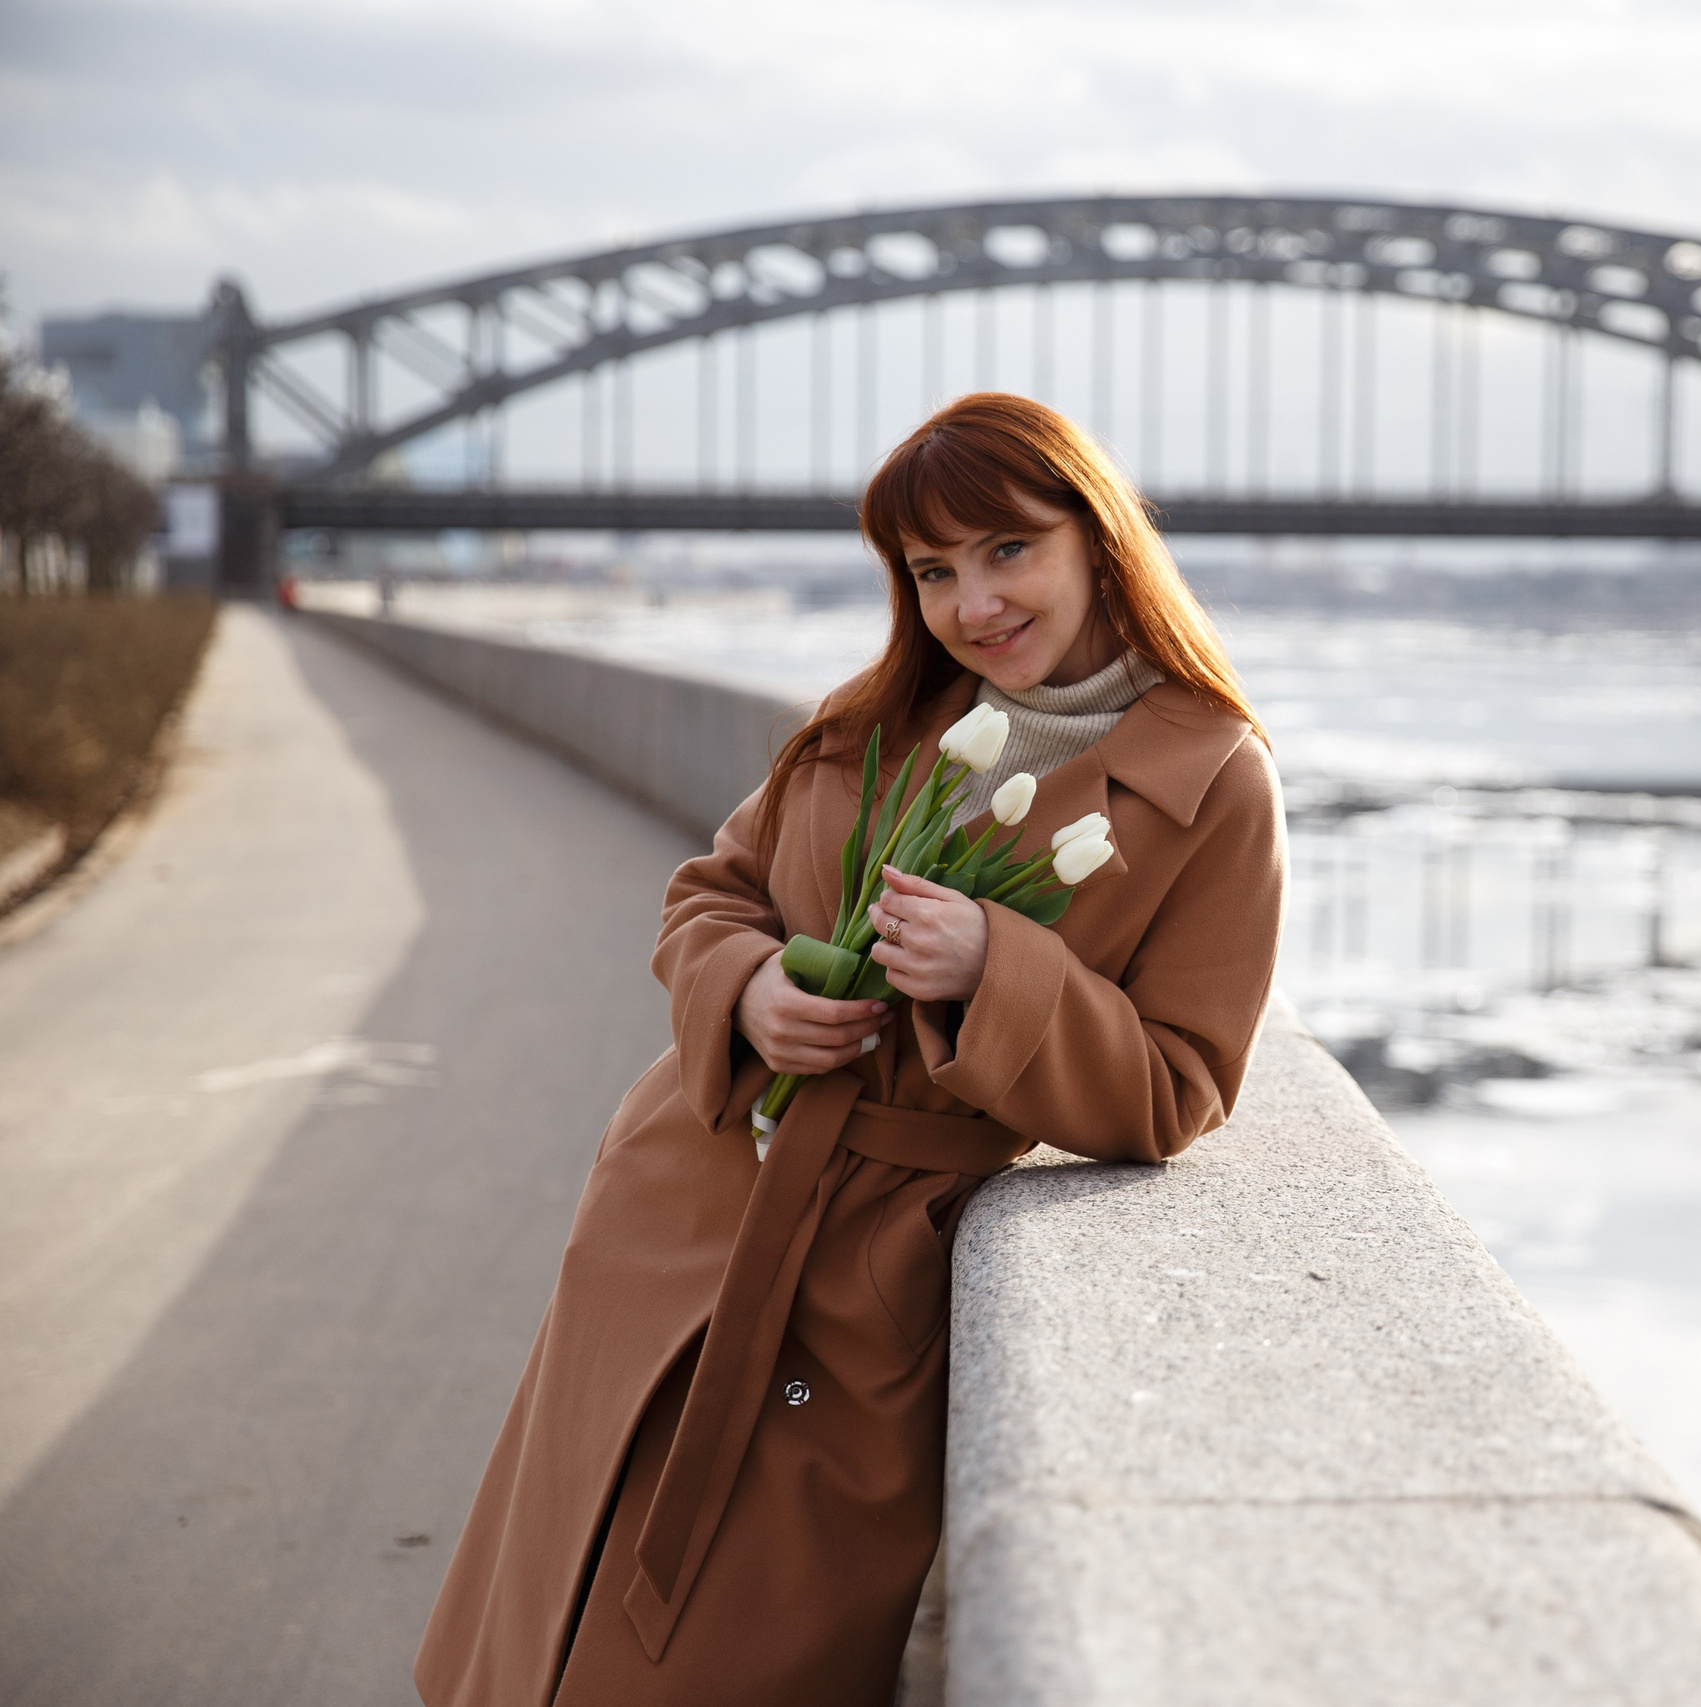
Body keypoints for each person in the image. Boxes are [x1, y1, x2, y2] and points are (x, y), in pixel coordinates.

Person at [415, 393, 1285, 1707]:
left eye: (1006, 551)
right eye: (931, 570)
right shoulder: (877, 720)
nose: (969, 603)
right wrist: (752, 988)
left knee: (730, 1652)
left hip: (862, 1282)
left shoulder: (1212, 779)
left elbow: (1182, 1086)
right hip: (677, 1211)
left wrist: (1001, 970)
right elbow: (711, 893)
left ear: (1098, 542)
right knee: (553, 1611)